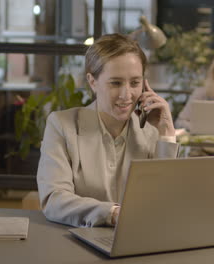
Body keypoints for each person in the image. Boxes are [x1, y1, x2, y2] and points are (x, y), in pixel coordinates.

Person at [37, 33, 179, 228]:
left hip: (138, 243)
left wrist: (167, 134)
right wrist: (112, 214)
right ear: (92, 82)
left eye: (135, 83)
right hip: (76, 243)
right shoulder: (62, 125)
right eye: (115, 83)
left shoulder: (152, 132)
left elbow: (165, 204)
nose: (126, 95)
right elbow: (54, 199)